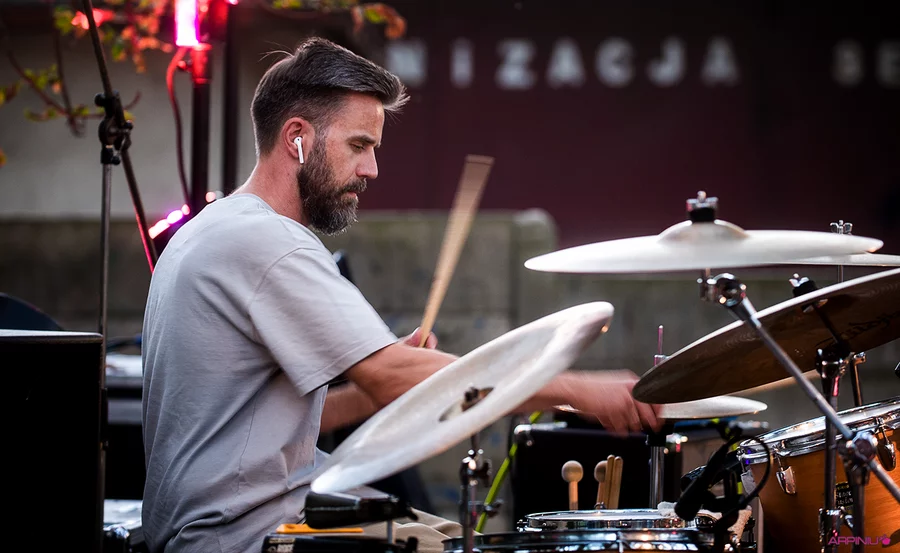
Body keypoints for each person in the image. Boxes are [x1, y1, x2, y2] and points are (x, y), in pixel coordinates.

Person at [140, 37, 661, 553]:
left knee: (458, 539)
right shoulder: (270, 243)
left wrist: (387, 382)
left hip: (233, 522)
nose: (372, 169)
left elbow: (263, 431)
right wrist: (576, 389)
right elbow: (392, 375)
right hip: (245, 536)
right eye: (358, 146)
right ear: (296, 137)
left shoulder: (210, 230)